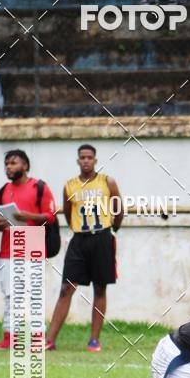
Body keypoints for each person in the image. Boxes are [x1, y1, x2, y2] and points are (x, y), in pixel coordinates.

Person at [45, 145, 122, 353]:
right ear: (78, 161)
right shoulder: (69, 185)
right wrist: (78, 229)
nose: (86, 161)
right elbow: (69, 214)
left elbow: (118, 209)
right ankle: (49, 339)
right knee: (66, 287)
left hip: (102, 238)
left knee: (100, 287)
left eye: (89, 157)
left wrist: (112, 229)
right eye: (82, 158)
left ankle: (94, 340)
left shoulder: (107, 181)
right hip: (79, 240)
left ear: (95, 160)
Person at [0, 150, 56, 350]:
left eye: (13, 163)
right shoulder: (3, 190)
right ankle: (10, 335)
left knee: (34, 294)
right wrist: (0, 223)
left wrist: (27, 216)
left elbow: (50, 215)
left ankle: (37, 336)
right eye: (7, 164)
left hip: (33, 245)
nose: (9, 167)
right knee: (11, 294)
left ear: (25, 166)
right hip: (8, 248)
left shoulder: (39, 187)